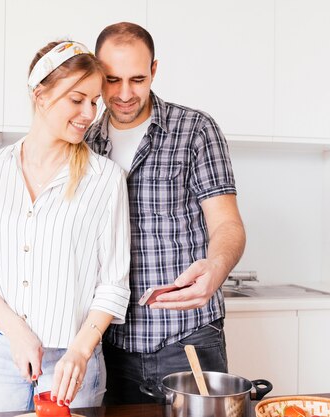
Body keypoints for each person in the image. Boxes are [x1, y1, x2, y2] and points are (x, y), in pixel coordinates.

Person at [0, 40, 131, 413]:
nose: (89, 113)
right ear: (41, 95)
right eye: (77, 99)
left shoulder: (105, 180)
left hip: (73, 363)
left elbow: (114, 285)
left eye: (94, 101)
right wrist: (16, 332)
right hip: (0, 354)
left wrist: (81, 351)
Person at [84, 22, 246, 404]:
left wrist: (216, 270)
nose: (125, 94)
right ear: (96, 74)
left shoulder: (195, 130)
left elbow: (228, 224)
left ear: (154, 70)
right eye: (112, 80)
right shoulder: (84, 141)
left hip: (187, 335)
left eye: (138, 79)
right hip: (111, 339)